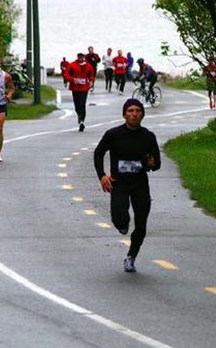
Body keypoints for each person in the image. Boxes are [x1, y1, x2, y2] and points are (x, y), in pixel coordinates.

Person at [94, 98, 161, 273]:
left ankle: (131, 256)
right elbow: (98, 153)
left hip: (139, 184)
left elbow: (157, 164)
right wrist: (102, 176)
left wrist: (152, 163)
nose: (134, 114)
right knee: (120, 220)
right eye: (130, 111)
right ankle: (122, 224)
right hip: (119, 183)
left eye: (138, 111)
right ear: (124, 114)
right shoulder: (113, 134)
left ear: (142, 115)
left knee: (141, 224)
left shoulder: (148, 136)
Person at [63, 53, 95, 132]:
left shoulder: (88, 66)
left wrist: (91, 81)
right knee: (77, 105)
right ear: (77, 58)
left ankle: (82, 122)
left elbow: (91, 74)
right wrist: (73, 79)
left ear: (84, 58)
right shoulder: (72, 65)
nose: (80, 59)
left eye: (82, 57)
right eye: (79, 57)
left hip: (84, 88)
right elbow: (66, 75)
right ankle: (79, 115)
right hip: (75, 88)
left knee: (82, 104)